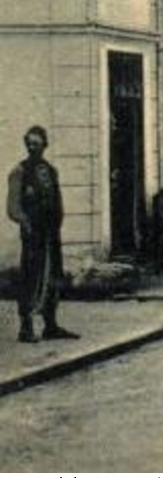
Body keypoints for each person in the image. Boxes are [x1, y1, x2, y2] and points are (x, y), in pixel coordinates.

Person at [8, 126, 77, 342]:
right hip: (33, 235)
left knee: (53, 277)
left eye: (36, 143)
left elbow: (58, 201)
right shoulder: (19, 171)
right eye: (29, 143)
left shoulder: (50, 170)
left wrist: (57, 222)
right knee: (31, 278)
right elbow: (13, 207)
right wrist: (26, 223)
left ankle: (51, 326)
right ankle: (26, 328)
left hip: (51, 233)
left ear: (45, 145)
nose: (32, 147)